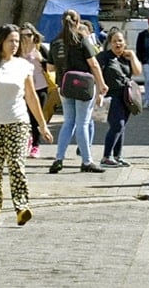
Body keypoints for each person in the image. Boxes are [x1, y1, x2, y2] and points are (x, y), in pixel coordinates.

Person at [0, 24, 54, 226]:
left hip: (18, 122)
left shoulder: (23, 65)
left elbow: (31, 96)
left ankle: (21, 207)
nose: (15, 44)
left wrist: (42, 125)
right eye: (10, 41)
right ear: (0, 42)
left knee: (17, 164)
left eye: (17, 41)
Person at [48, 9, 109, 174]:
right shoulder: (81, 40)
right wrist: (102, 84)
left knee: (68, 122)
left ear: (62, 22)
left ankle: (58, 159)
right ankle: (87, 161)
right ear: (78, 22)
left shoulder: (55, 42)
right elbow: (93, 64)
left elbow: (50, 67)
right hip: (84, 86)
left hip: (64, 86)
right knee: (83, 123)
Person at [96, 30, 142, 167]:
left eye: (120, 40)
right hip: (111, 96)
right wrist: (99, 92)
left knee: (122, 127)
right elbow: (96, 75)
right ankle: (106, 157)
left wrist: (132, 56)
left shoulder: (126, 57)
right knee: (117, 125)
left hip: (126, 97)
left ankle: (117, 156)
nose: (118, 44)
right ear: (109, 43)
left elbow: (137, 72)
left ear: (125, 42)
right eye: (114, 41)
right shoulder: (104, 57)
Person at [18, 22, 50, 159]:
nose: (26, 38)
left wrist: (42, 60)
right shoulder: (17, 49)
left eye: (29, 35)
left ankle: (36, 145)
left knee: (36, 117)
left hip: (40, 87)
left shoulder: (39, 48)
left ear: (34, 35)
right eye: (23, 35)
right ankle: (28, 140)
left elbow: (51, 65)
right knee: (25, 117)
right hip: (22, 88)